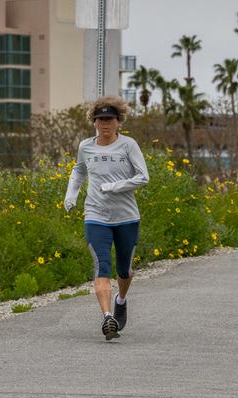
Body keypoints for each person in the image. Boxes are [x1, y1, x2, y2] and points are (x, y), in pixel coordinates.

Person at [63, 97, 150, 340]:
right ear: (94, 122)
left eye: (109, 119)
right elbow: (79, 170)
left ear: (118, 121)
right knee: (102, 266)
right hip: (96, 216)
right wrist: (71, 195)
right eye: (100, 120)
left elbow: (143, 177)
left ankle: (121, 300)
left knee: (125, 270)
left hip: (126, 217)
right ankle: (107, 317)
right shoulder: (86, 147)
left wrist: (115, 186)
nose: (105, 124)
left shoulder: (128, 145)